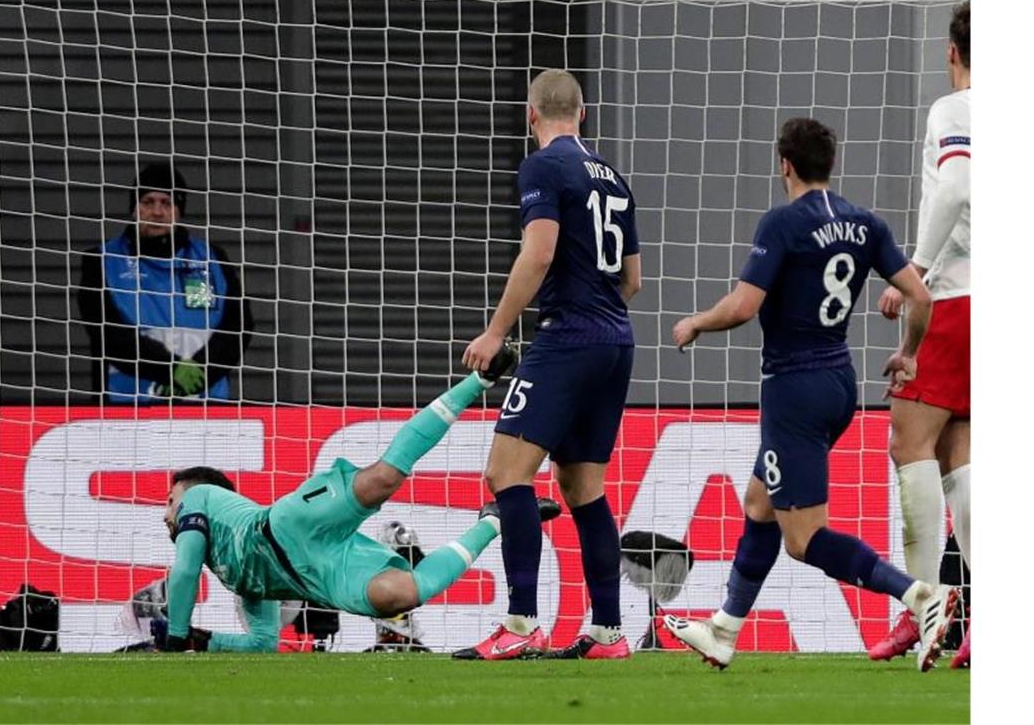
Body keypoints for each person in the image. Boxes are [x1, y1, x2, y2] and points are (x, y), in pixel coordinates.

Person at [665, 117, 958, 673]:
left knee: (802, 538)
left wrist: (698, 322)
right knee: (760, 503)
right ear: (830, 163)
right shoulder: (864, 223)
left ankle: (920, 596)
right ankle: (725, 629)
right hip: (838, 384)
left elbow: (745, 306)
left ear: (785, 165)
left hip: (793, 388)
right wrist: (909, 353)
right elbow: (920, 296)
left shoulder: (783, 224)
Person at [153, 345, 563, 652]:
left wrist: (174, 635)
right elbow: (261, 643)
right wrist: (198, 640)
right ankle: (493, 520)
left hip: (290, 523)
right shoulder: (236, 573)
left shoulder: (200, 497)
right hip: (314, 574)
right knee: (397, 595)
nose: (166, 513)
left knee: (382, 478)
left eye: (170, 501)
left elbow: (185, 572)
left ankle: (482, 380)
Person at [454, 69, 642, 661]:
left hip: (570, 338)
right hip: (617, 340)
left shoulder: (543, 167)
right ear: (582, 114)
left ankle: (520, 623)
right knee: (584, 488)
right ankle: (609, 633)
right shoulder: (614, 177)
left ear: (530, 115)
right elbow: (632, 280)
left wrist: (496, 331)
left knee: (506, 474)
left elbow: (538, 253)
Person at [869, 0, 971, 670]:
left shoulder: (956, 108)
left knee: (907, 442)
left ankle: (922, 605)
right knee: (960, 454)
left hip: (956, 295)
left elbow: (956, 186)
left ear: (952, 52)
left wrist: (916, 276)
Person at [78, 161, 253, 404]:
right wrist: (172, 371)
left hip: (207, 408)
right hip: (125, 409)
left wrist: (199, 374)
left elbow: (238, 328)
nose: (157, 212)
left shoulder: (213, 259)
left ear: (179, 211)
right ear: (134, 208)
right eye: (148, 202)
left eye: (167, 203)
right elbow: (110, 335)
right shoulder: (103, 261)